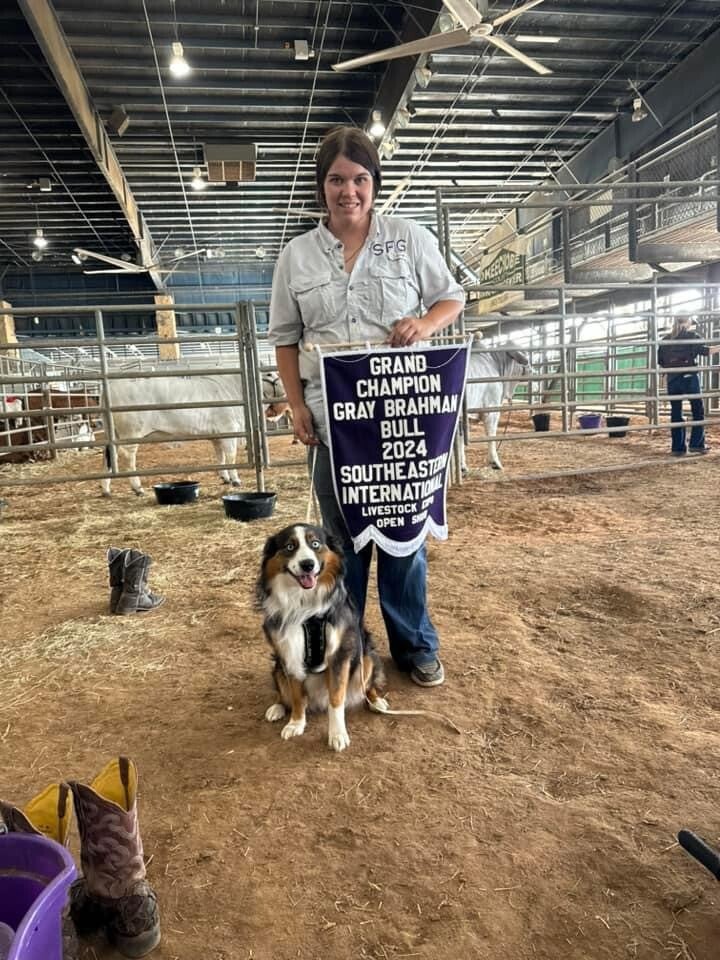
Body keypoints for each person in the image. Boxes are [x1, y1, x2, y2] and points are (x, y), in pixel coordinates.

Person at [268, 125, 465, 687]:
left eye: (359, 179)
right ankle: (344, 650)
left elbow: (452, 297)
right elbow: (285, 338)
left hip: (401, 422)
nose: (348, 191)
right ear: (321, 186)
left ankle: (415, 644)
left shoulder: (409, 238)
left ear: (374, 183)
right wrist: (296, 406)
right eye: (336, 180)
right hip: (333, 426)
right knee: (340, 544)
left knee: (405, 541)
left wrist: (424, 323)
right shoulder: (296, 257)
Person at [657, 315, 720, 456]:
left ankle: (677, 448)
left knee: (676, 412)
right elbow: (706, 351)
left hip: (672, 379)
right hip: (689, 378)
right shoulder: (692, 336)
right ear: (688, 321)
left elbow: (660, 360)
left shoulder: (665, 340)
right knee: (697, 410)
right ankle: (696, 445)